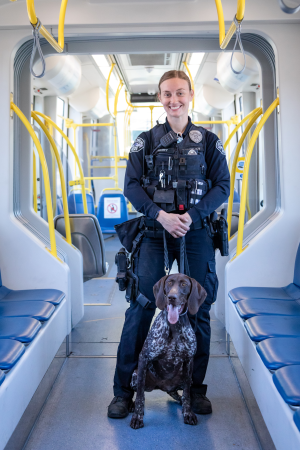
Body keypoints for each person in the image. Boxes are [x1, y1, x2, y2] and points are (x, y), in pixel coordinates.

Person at [108, 70, 230, 419]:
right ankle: (123, 392)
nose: (173, 100)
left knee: (199, 309)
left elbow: (222, 185)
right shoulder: (145, 142)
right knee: (143, 305)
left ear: (191, 94)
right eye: (166, 94)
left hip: (195, 230)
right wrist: (159, 216)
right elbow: (131, 185)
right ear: (160, 98)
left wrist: (192, 215)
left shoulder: (208, 142)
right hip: (155, 230)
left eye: (179, 93)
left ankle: (194, 390)